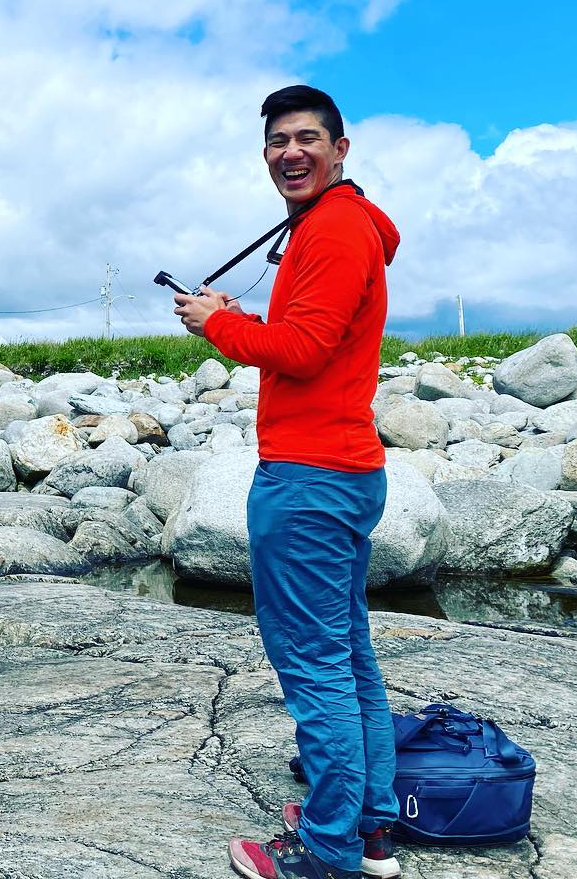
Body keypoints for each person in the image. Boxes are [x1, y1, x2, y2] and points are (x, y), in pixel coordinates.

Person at [173, 85, 403, 879]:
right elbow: (313, 337)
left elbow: (301, 351)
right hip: (342, 469)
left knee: (313, 665)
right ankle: (369, 824)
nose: (291, 151)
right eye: (278, 141)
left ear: (342, 149)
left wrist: (218, 326)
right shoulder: (344, 227)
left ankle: (329, 850)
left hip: (310, 478)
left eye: (308, 137)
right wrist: (241, 318)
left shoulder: (335, 231)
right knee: (347, 656)